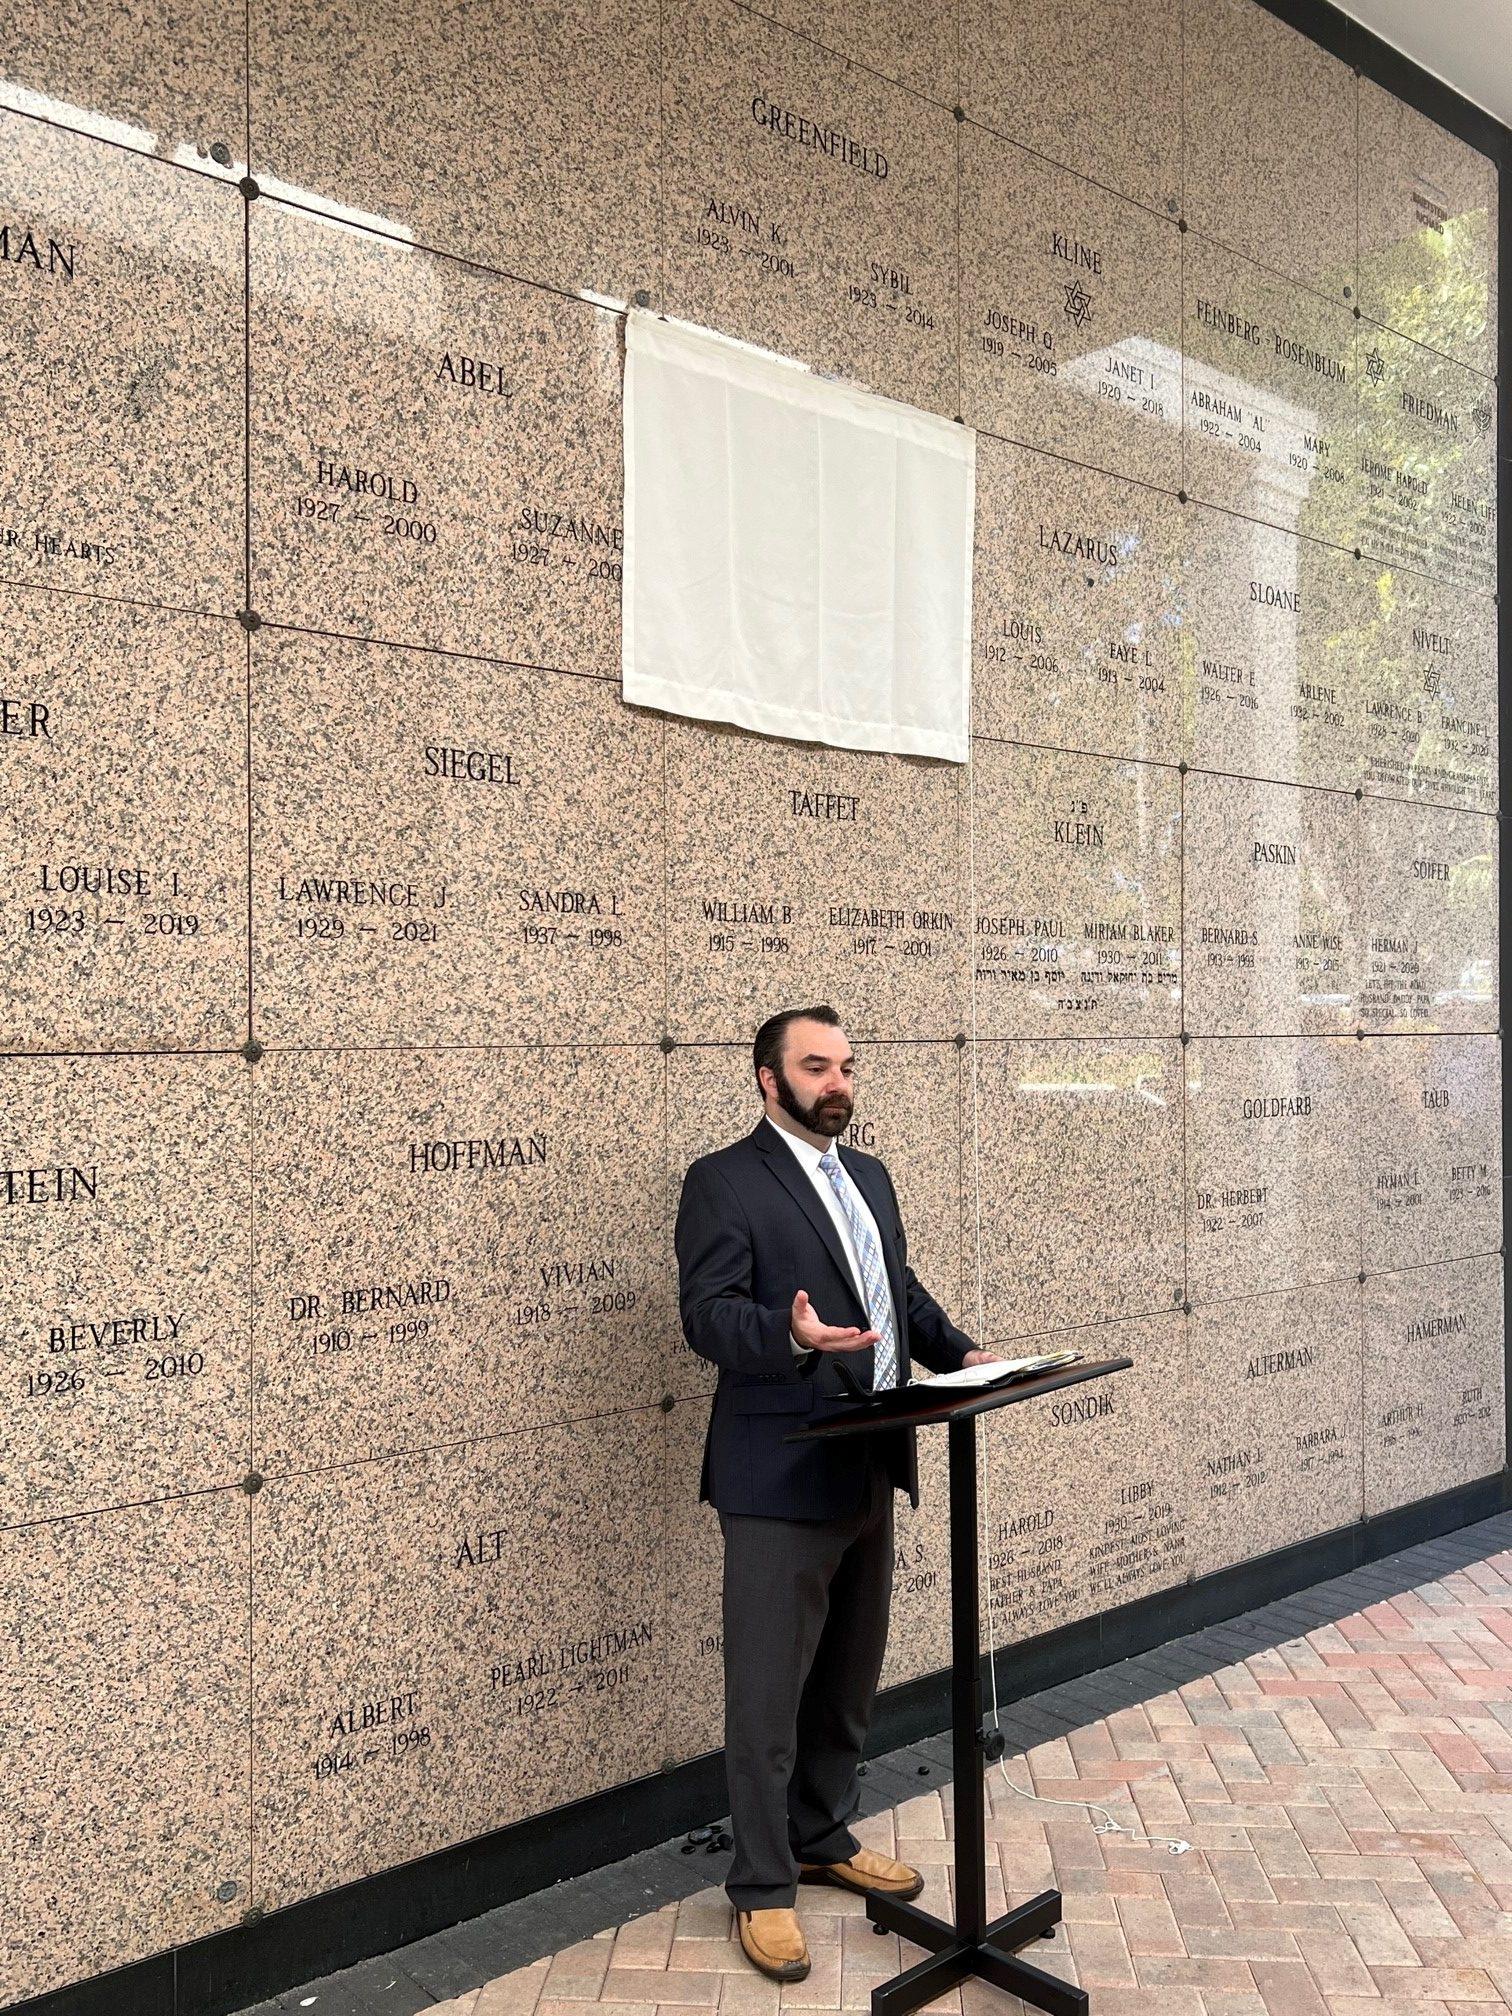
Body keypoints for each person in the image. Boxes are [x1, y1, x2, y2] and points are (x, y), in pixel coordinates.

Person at [674, 1005, 1002, 1982]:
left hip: (871, 1456)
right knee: (768, 1698)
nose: (838, 1082)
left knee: (846, 1683)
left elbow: (894, 1288)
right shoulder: (725, 1181)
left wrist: (961, 1351)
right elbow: (707, 1317)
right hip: (778, 1471)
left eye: (847, 1065)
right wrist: (790, 1332)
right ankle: (763, 1886)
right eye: (817, 1066)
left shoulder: (869, 1177)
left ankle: (822, 1833)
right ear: (770, 1080)